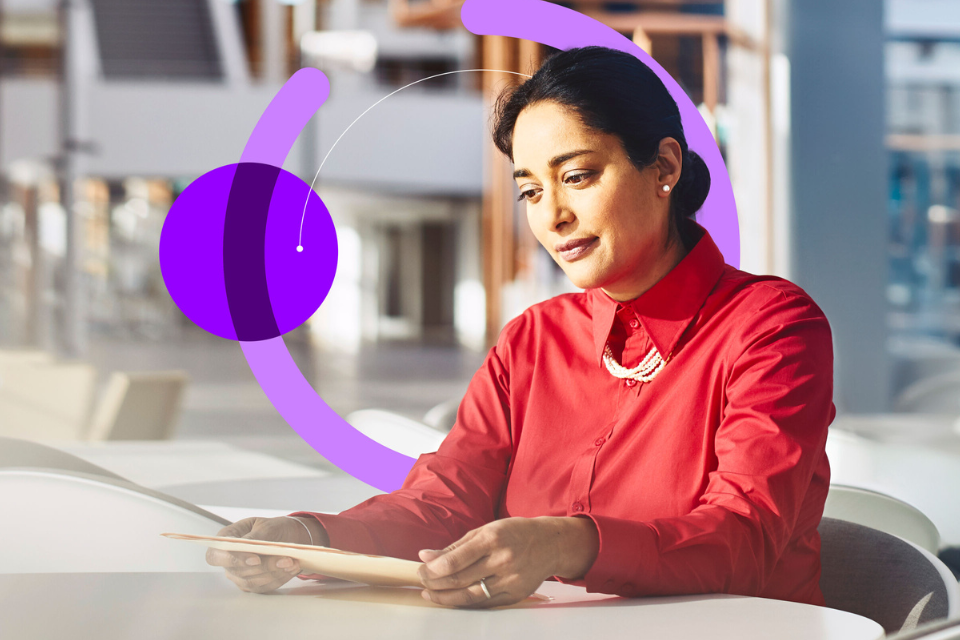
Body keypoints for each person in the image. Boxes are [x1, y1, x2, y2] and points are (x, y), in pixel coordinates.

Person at [207, 46, 835, 610]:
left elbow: (741, 537)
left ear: (663, 165)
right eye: (530, 191)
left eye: (578, 176)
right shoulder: (534, 339)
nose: (554, 217)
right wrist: (311, 538)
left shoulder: (771, 328)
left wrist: (567, 543)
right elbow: (445, 501)